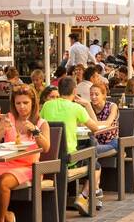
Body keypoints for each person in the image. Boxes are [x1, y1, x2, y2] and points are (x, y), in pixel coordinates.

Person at [0, 86, 52, 222]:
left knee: (3, 183)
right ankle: (8, 215)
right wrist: (2, 127)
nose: (21, 107)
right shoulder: (8, 118)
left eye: (25, 103)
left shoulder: (41, 122)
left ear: (33, 103)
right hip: (7, 162)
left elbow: (46, 147)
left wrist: (36, 131)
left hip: (30, 167)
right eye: (18, 103)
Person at [41, 76, 103, 211]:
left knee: (90, 145)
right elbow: (95, 128)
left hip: (49, 155)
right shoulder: (76, 107)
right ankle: (84, 196)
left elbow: (40, 124)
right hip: (68, 159)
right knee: (96, 164)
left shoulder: (46, 105)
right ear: (75, 91)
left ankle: (93, 191)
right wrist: (86, 105)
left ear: (59, 90)